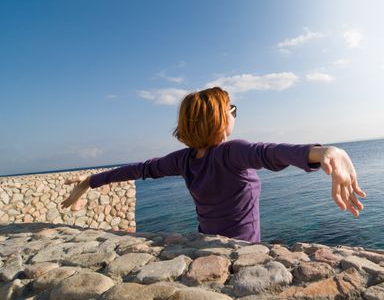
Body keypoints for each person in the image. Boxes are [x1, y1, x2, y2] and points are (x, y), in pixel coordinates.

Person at [61, 87, 366, 243]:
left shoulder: (183, 160)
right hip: (242, 253)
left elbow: (139, 169)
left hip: (202, 245)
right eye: (231, 108)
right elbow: (270, 152)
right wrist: (326, 151)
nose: (235, 113)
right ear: (219, 117)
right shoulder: (231, 152)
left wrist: (90, 181)